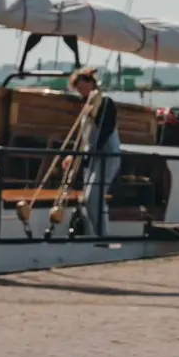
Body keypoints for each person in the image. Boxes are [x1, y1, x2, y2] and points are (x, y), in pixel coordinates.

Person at [70, 67, 120, 238]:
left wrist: (90, 153)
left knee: (93, 198)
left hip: (106, 157)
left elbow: (105, 130)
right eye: (78, 89)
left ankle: (103, 237)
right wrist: (76, 157)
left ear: (92, 83)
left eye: (83, 87)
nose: (81, 92)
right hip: (92, 159)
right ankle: (98, 235)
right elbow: (84, 138)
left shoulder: (105, 103)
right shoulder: (87, 105)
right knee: (89, 199)